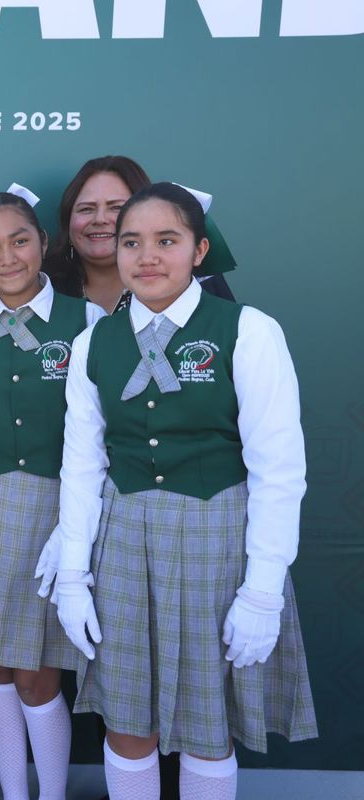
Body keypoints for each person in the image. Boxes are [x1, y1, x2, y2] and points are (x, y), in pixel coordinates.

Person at [50, 183, 317, 799]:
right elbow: (82, 465)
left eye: (165, 241)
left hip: (217, 538)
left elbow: (279, 470)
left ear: (199, 250)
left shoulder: (248, 330)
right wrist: (70, 573)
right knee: (126, 722)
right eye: (131, 242)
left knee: (205, 725)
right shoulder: (95, 342)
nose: (147, 256)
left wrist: (263, 589)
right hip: (121, 543)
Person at [0, 192, 103, 800]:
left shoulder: (84, 320)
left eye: (19, 240)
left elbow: (102, 432)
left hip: (56, 513)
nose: (6, 257)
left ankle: (51, 794)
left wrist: (73, 527)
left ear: (43, 243)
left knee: (37, 670)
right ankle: (15, 793)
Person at [44, 156, 235, 314]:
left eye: (117, 207)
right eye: (86, 209)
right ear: (67, 220)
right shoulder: (43, 287)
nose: (100, 219)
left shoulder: (193, 284)